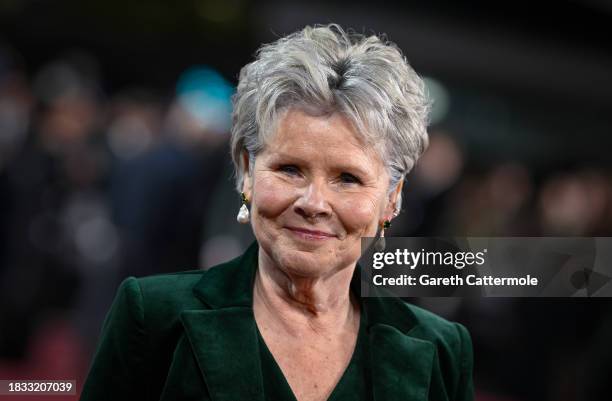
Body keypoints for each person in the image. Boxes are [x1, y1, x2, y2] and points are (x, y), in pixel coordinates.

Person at [80, 24, 474, 401]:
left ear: (392, 198)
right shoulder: (152, 317)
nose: (314, 203)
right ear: (247, 173)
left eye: (348, 178)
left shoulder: (441, 351)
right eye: (290, 169)